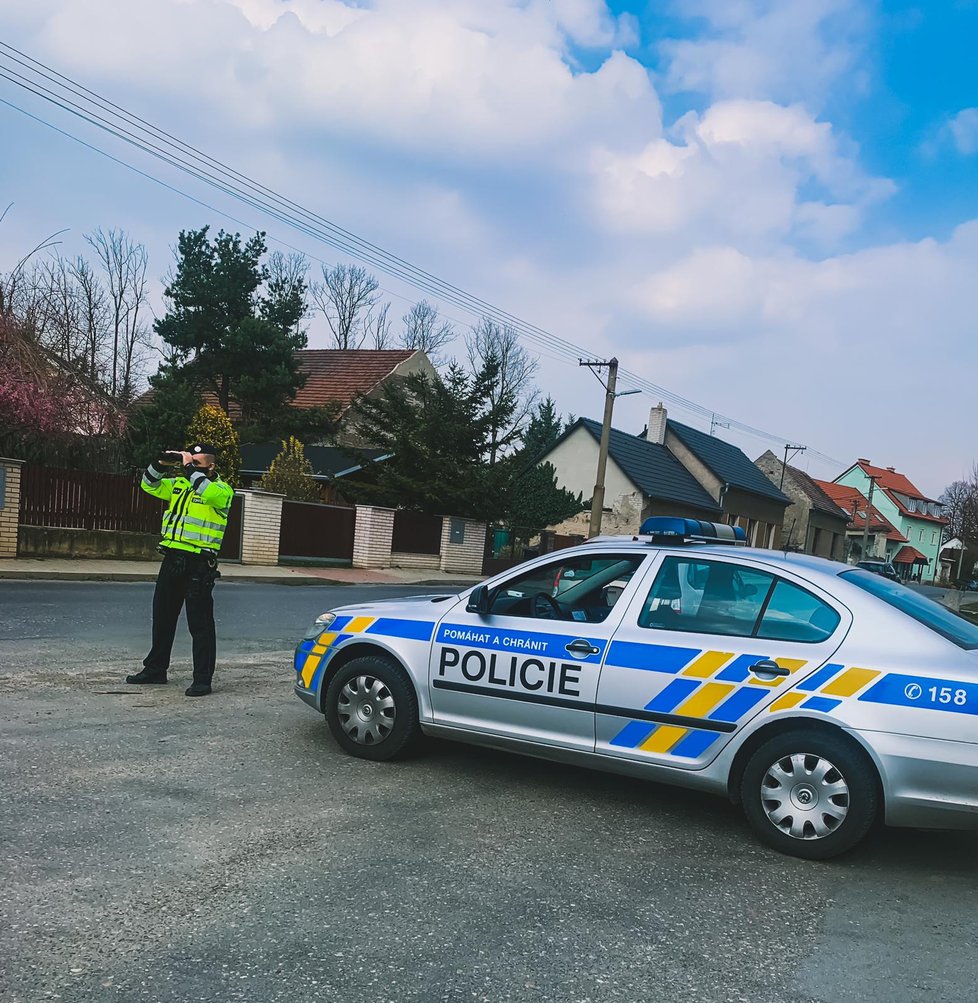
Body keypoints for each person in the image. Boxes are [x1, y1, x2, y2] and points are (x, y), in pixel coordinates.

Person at [125, 443, 234, 696]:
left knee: (200, 624)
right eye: (190, 461)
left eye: (197, 463)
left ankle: (202, 679)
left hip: (199, 563)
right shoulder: (179, 485)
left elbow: (206, 492)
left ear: (211, 466)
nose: (191, 467)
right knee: (162, 618)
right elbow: (148, 484)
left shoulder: (221, 490)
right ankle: (155, 669)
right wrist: (161, 463)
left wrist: (188, 467)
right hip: (172, 558)